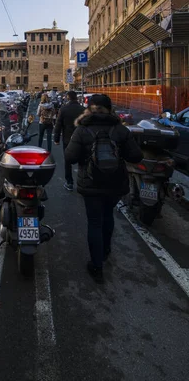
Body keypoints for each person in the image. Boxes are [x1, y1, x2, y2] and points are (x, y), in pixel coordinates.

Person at [65, 94, 142, 283]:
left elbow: (70, 157)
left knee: (94, 222)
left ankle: (96, 265)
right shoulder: (120, 129)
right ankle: (106, 250)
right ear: (110, 109)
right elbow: (136, 156)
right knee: (108, 216)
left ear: (89, 109)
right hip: (115, 183)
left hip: (91, 183)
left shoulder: (82, 130)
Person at [54, 90, 85, 191]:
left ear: (68, 97)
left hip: (68, 139)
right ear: (76, 98)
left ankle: (69, 182)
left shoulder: (64, 109)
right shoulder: (83, 109)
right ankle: (82, 182)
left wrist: (56, 139)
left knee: (68, 161)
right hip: (81, 139)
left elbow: (58, 125)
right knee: (82, 160)